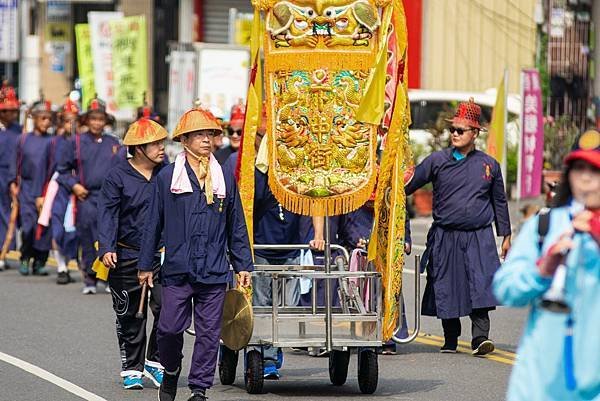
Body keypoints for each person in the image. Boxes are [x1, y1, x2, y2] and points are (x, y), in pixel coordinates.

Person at [138, 105, 253, 401]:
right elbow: (153, 223)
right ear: (184, 141)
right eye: (198, 134)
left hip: (214, 269)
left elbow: (236, 223)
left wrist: (242, 265)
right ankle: (171, 370)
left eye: (210, 134)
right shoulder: (167, 178)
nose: (206, 140)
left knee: (208, 334)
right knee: (169, 328)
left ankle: (199, 388)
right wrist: (145, 265)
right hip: (177, 269)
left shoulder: (225, 175)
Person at [493, 129, 600, 401]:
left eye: (595, 170)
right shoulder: (546, 225)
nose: (586, 178)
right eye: (579, 169)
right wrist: (544, 269)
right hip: (538, 386)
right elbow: (505, 289)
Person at [404, 98, 512, 355]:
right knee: (446, 284)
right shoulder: (436, 161)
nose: (454, 134)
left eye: (460, 130)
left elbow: (499, 201)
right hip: (446, 235)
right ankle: (450, 338)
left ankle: (480, 338)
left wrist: (506, 235)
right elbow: (408, 186)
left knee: (481, 284)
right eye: (452, 129)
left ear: (474, 133)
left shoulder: (488, 165)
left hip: (479, 235)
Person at [97, 116, 168, 390]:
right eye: (156, 143)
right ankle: (132, 367)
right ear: (139, 148)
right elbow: (107, 214)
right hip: (127, 255)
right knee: (130, 315)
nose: (162, 148)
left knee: (168, 310)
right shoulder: (117, 176)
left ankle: (155, 361)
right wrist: (106, 247)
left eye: (162, 142)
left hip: (163, 256)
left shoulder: (168, 173)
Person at [224, 130, 301, 380]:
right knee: (263, 306)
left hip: (291, 250)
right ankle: (264, 356)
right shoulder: (255, 172)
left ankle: (274, 348)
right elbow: (249, 203)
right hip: (261, 250)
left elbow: (312, 207)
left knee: (288, 308)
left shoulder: (296, 172)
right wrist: (263, 170)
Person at [56, 97, 122, 294]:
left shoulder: (114, 143)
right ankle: (90, 279)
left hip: (109, 197)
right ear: (86, 120)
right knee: (88, 236)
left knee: (111, 236)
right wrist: (74, 185)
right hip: (87, 197)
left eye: (100, 119)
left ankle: (109, 278)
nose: (97, 123)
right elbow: (63, 170)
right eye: (93, 119)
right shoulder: (76, 142)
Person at [15, 99, 54, 276]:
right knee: (28, 225)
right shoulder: (23, 140)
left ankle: (40, 261)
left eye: (48, 118)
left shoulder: (53, 141)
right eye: (42, 118)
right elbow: (14, 164)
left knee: (44, 228)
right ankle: (25, 257)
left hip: (46, 189)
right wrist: (13, 185)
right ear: (35, 119)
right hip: (27, 188)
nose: (46, 122)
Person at [51, 98, 80, 284]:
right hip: (58, 188)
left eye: (74, 120)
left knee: (74, 232)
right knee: (57, 228)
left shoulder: (82, 142)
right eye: (67, 120)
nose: (71, 124)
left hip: (78, 190)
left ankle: (71, 262)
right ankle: (61, 266)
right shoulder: (54, 142)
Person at [0, 84, 21, 271]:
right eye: (7, 111)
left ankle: (5, 251)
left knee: (8, 214)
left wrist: (15, 179)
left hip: (10, 175)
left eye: (14, 110)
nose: (11, 114)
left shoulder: (18, 130)